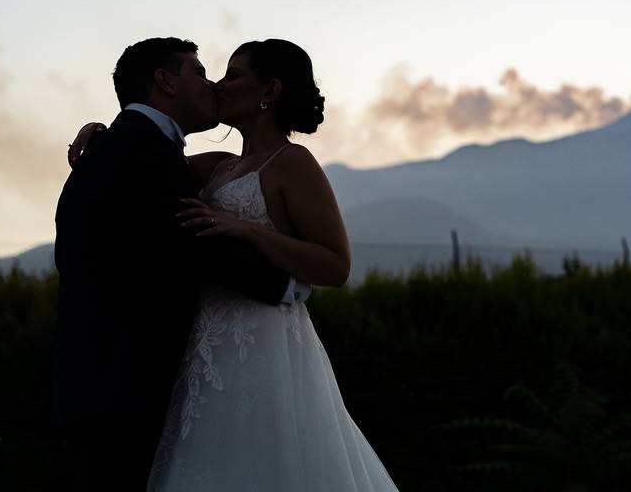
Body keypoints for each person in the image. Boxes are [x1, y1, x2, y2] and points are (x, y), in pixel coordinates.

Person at [69, 39, 398, 491]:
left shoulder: (294, 163)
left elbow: (336, 265)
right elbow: (143, 168)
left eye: (234, 75)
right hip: (203, 344)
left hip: (263, 341)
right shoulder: (220, 166)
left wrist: (248, 230)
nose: (220, 85)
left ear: (270, 91)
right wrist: (103, 134)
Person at [52, 37, 292, 490]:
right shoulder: (139, 151)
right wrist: (287, 287)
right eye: (199, 73)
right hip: (119, 392)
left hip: (99, 388)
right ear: (165, 81)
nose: (212, 85)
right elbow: (195, 241)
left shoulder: (135, 147)